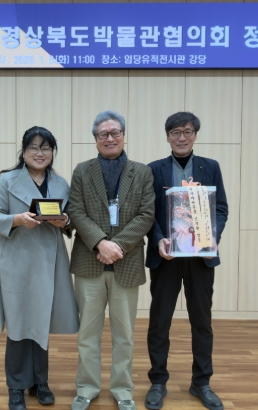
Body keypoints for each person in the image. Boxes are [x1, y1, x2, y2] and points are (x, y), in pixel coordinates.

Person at [0, 126, 80, 410]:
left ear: (52, 152)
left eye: (46, 148)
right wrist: (17, 219)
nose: (40, 153)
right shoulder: (6, 181)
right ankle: (16, 386)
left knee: (41, 323)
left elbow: (70, 220)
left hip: (50, 263)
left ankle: (40, 382)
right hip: (18, 262)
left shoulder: (61, 184)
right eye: (34, 147)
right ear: (24, 152)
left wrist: (65, 222)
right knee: (19, 325)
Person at [68, 110, 155, 410]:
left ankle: (123, 390)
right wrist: (100, 242)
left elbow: (146, 215)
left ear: (123, 136)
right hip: (89, 263)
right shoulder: (82, 171)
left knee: (124, 336)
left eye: (115, 132)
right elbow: (76, 210)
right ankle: (86, 388)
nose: (110, 138)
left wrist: (116, 246)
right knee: (87, 335)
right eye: (103, 134)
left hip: (126, 263)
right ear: (95, 139)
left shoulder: (142, 172)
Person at [144, 112, 229, 410]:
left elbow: (220, 208)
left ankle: (201, 382)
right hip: (166, 256)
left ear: (195, 135)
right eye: (176, 132)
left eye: (188, 131)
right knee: (160, 322)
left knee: (201, 322)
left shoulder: (211, 167)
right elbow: (148, 212)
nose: (182, 137)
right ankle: (158, 381)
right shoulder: (153, 170)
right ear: (167, 136)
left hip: (200, 257)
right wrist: (158, 239)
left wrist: (211, 236)